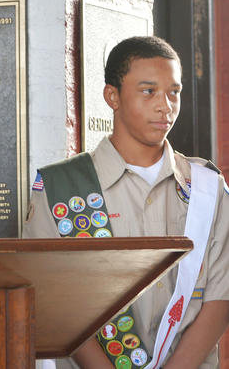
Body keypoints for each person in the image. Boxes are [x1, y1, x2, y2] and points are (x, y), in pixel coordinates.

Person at [23, 36, 229, 368]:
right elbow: (52, 301)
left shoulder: (206, 188)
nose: (165, 106)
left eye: (173, 92)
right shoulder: (60, 188)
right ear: (112, 96)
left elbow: (221, 296)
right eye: (148, 91)